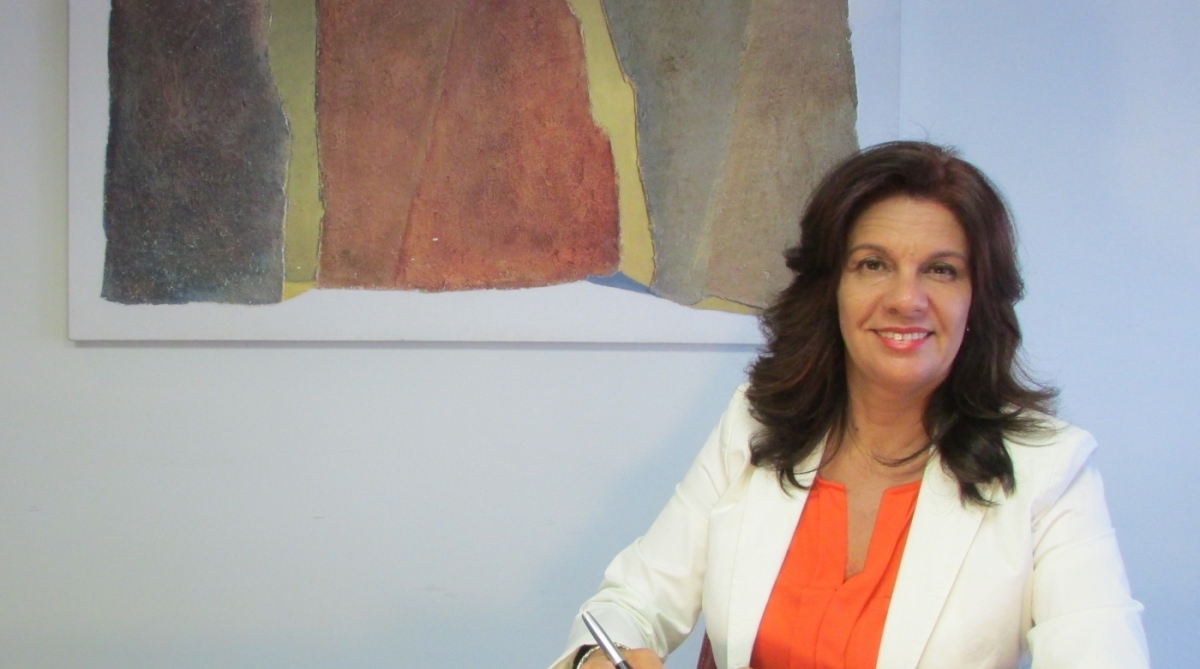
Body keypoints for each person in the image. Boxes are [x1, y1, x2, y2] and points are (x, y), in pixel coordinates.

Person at [549, 142, 1149, 669]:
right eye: (873, 264)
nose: (906, 299)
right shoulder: (757, 423)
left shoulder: (1050, 469)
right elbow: (631, 602)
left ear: (979, 300)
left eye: (941, 270)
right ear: (831, 286)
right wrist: (594, 660)